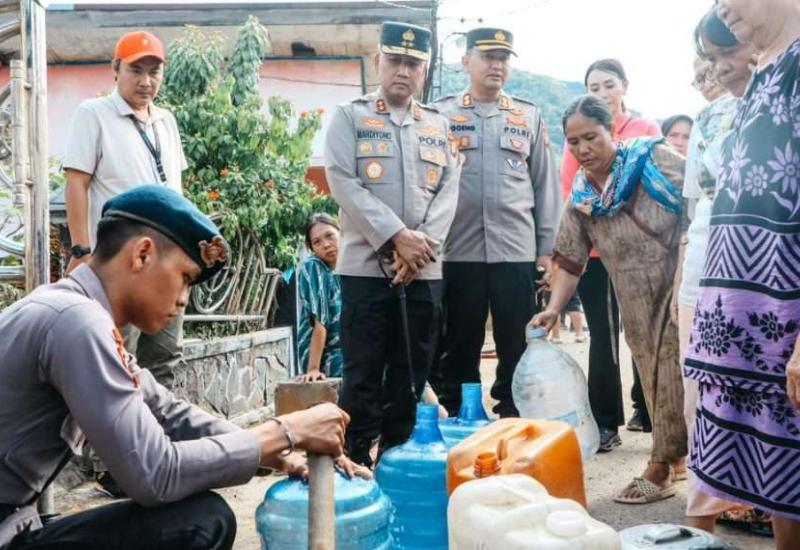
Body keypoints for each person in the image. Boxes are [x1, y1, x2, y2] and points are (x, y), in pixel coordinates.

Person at [0, 186, 362, 550]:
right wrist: (286, 430)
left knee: (201, 514)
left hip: (14, 522)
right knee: (200, 522)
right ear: (142, 254)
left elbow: (168, 412)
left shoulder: (73, 311)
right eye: (186, 277)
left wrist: (281, 454)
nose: (184, 299)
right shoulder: (77, 322)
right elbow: (155, 474)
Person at [532, 95, 688, 504]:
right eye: (573, 142)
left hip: (681, 286)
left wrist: (692, 270)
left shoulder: (655, 160)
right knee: (653, 376)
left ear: (611, 130)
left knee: (676, 369)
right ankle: (677, 456)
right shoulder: (582, 196)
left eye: (591, 137)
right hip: (633, 298)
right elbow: (570, 259)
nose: (583, 149)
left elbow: (702, 201)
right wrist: (553, 308)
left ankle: (661, 466)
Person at [685, 0, 800, 546]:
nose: (721, 6)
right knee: (783, 476)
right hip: (748, 334)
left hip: (787, 327)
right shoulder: (766, 72)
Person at [324, 22, 461, 466]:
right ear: (378, 61)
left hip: (424, 270)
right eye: (396, 61)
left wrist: (420, 249)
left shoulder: (439, 126)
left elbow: (449, 192)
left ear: (425, 69)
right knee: (362, 372)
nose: (404, 70)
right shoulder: (350, 117)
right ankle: (356, 459)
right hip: (365, 269)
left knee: (412, 373)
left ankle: (398, 458)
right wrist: (397, 237)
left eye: (413, 64)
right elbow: (342, 181)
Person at [62, 31, 187, 495]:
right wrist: (81, 250)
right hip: (117, 268)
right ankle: (110, 466)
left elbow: (175, 193)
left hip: (164, 266)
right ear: (115, 70)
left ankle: (160, 450)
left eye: (154, 71)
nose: (146, 80)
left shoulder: (166, 122)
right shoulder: (93, 113)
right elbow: (77, 184)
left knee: (164, 358)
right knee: (114, 363)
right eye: (136, 70)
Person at [433, 27, 560, 417]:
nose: (496, 65)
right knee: (459, 341)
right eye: (488, 56)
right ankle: (459, 414)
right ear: (466, 61)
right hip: (458, 250)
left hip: (515, 250)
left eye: (503, 58)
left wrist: (546, 250)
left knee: (517, 340)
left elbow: (546, 186)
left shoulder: (528, 115)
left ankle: (513, 412)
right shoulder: (440, 114)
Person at [675, 7, 761, 534]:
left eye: (727, 51)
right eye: (708, 57)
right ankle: (702, 521)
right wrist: (682, 285)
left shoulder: (782, 107)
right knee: (700, 402)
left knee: (769, 407)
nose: (717, 67)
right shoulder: (706, 119)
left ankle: (762, 503)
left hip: (765, 281)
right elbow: (696, 210)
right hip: (703, 275)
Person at [561, 59, 662, 451]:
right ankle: (605, 423)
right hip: (596, 253)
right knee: (603, 337)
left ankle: (651, 411)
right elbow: (571, 189)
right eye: (593, 87)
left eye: (608, 84)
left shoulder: (645, 129)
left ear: (625, 86)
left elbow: (655, 187)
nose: (602, 93)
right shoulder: (577, 135)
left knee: (646, 332)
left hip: (640, 252)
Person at [296, 213, 344, 382]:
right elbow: (320, 320)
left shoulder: (350, 268)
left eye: (329, 235)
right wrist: (313, 369)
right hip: (325, 354)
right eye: (317, 242)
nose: (326, 245)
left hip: (350, 350)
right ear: (312, 249)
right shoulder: (313, 267)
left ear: (341, 232)